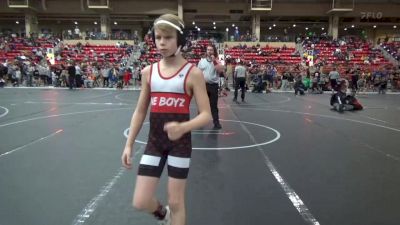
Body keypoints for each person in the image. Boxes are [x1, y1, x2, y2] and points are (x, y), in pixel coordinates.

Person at [121, 14, 211, 225]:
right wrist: (129, 144)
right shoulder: (148, 72)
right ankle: (164, 215)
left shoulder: (193, 73)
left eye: (168, 37)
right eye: (158, 37)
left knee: (177, 201)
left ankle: (173, 215)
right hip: (154, 143)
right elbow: (140, 110)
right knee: (141, 201)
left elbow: (206, 114)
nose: (161, 42)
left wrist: (184, 127)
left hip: (180, 144)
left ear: (180, 40)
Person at [198, 44, 224, 129]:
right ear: (206, 51)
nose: (209, 51)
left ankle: (216, 123)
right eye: (208, 50)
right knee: (202, 105)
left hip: (213, 86)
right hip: (203, 86)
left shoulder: (218, 61)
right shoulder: (202, 61)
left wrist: (214, 61)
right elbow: (198, 73)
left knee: (213, 105)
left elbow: (220, 71)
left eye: (211, 50)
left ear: (214, 51)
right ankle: (200, 123)